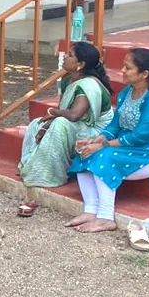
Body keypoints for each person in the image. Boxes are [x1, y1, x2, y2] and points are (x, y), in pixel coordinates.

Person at [66, 47, 149, 233]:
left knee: (104, 157)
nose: (122, 70)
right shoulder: (127, 92)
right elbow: (115, 125)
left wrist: (103, 146)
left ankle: (106, 217)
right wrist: (97, 139)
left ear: (144, 74)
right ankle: (91, 210)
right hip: (133, 145)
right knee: (85, 152)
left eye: (128, 67)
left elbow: (141, 136)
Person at [18, 42, 114, 191]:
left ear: (80, 64)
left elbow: (74, 115)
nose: (64, 57)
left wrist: (54, 113)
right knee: (37, 123)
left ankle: (52, 175)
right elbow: (65, 110)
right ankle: (31, 166)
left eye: (70, 55)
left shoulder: (88, 84)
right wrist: (45, 126)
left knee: (60, 124)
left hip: (96, 131)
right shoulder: (68, 80)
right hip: (77, 123)